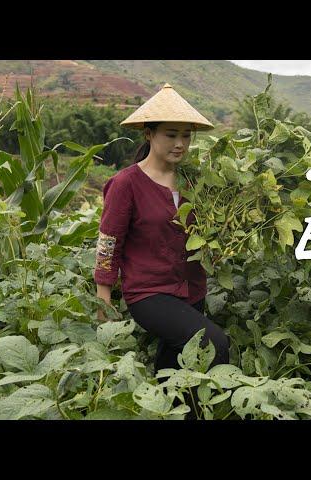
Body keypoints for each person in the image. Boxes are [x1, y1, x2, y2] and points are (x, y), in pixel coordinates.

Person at [93, 83, 229, 418]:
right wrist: (103, 299)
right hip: (149, 293)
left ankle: (162, 412)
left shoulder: (194, 182)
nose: (180, 143)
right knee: (214, 344)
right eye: (171, 135)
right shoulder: (126, 184)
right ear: (149, 134)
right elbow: (109, 241)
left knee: (173, 364)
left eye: (186, 135)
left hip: (192, 288)